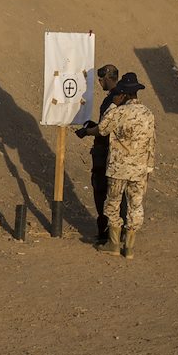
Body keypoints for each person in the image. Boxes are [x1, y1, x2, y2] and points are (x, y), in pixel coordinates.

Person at [94, 73, 156, 257]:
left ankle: (113, 244)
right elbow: (152, 142)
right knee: (135, 206)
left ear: (124, 94)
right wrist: (149, 167)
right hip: (139, 169)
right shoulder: (148, 114)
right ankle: (129, 247)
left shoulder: (118, 112)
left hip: (118, 168)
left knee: (113, 203)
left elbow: (102, 129)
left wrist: (113, 105)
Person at [75, 65, 123, 246]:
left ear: (108, 78)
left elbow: (105, 129)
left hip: (105, 151)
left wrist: (88, 131)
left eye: (101, 80)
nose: (100, 83)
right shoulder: (123, 97)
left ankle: (106, 232)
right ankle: (115, 232)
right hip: (116, 152)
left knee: (101, 189)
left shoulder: (114, 99)